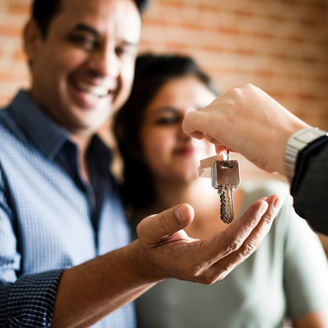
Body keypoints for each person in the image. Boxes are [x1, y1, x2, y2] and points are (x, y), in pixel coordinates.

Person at [0, 1, 284, 327]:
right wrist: (140, 266)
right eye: (84, 40)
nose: (105, 66)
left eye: (122, 50)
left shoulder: (105, 176)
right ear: (33, 39)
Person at [113, 53, 328, 328]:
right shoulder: (123, 232)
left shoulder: (277, 206)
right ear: (132, 139)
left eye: (201, 116)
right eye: (166, 119)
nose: (189, 130)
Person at [182, 84, 328, 235]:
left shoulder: (275, 202)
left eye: (203, 116)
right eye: (166, 120)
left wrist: (293, 145)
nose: (188, 134)